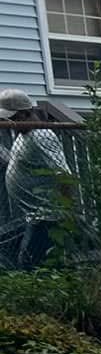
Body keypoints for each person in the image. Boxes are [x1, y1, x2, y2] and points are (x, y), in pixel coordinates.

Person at [1, 89, 71, 269]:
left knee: (29, 263)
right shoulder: (24, 133)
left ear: (25, 114)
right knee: (36, 260)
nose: (8, 124)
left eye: (11, 119)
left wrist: (66, 211)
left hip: (46, 216)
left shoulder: (42, 136)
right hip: (32, 214)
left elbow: (63, 174)